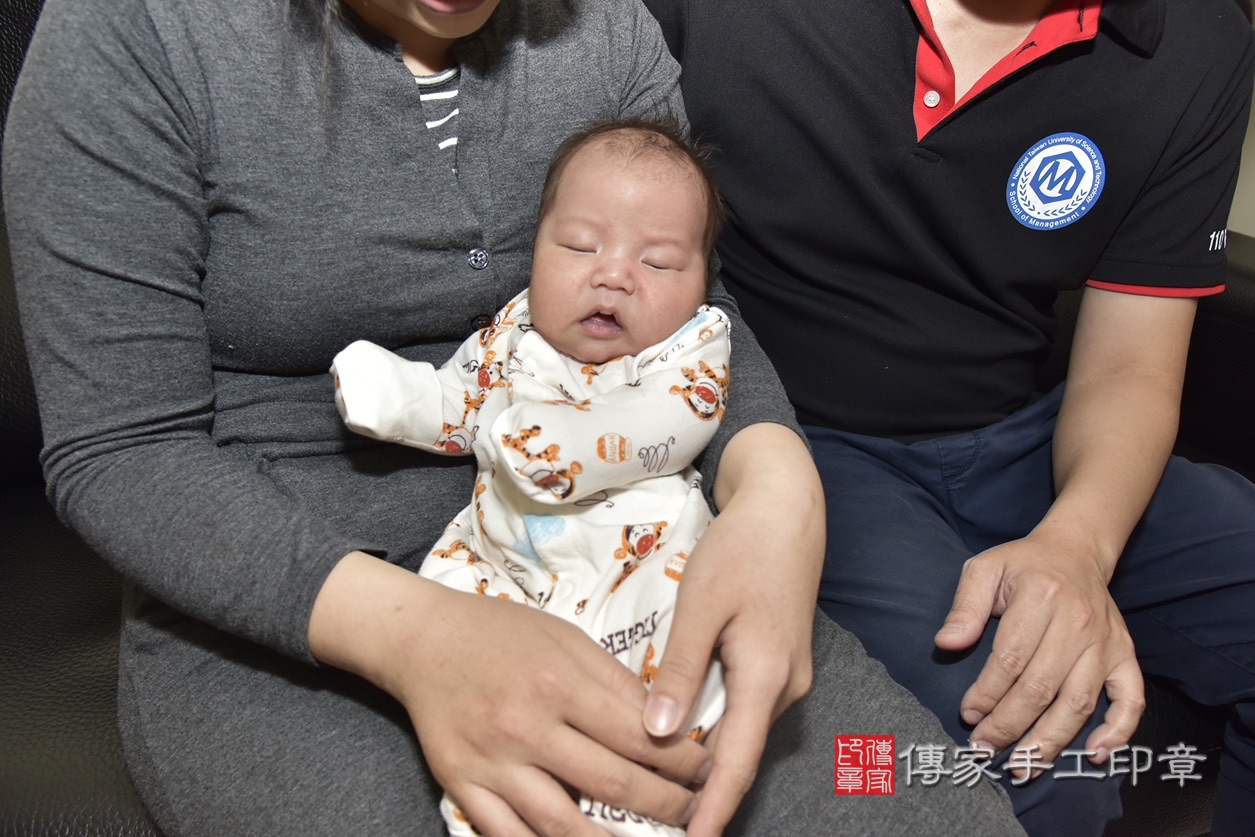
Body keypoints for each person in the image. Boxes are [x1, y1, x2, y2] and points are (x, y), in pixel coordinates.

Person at [3, 0, 1026, 834]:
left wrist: (776, 489)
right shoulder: (135, 31)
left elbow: (691, 310)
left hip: (633, 552)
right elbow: (123, 449)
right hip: (292, 591)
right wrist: (419, 636)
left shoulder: (607, 31)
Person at [641, 0, 1255, 834]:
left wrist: (1079, 543)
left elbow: (1127, 366)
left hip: (1027, 433)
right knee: (1045, 760)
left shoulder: (1198, 40)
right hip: (800, 439)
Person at [331, 120, 730, 836]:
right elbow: (459, 403)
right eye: (579, 246)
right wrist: (399, 397)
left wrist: (574, 447)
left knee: (683, 650)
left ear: (701, 282)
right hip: (505, 556)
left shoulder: (691, 343)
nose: (614, 275)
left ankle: (643, 802)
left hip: (641, 557)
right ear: (537, 247)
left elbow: (676, 418)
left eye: (659, 262)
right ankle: (492, 805)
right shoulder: (514, 331)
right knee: (449, 595)